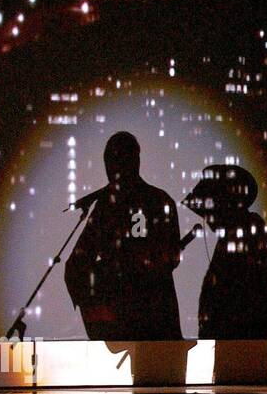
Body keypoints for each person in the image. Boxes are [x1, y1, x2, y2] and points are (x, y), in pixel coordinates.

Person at [64, 131, 183, 339]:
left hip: (145, 324)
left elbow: (77, 264)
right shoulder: (158, 200)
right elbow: (77, 264)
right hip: (151, 323)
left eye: (116, 159)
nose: (112, 167)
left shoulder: (108, 206)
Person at [184, 164, 267, 339]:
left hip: (238, 344)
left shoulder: (248, 233)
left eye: (209, 212)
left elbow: (244, 301)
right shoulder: (239, 233)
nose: (208, 219)